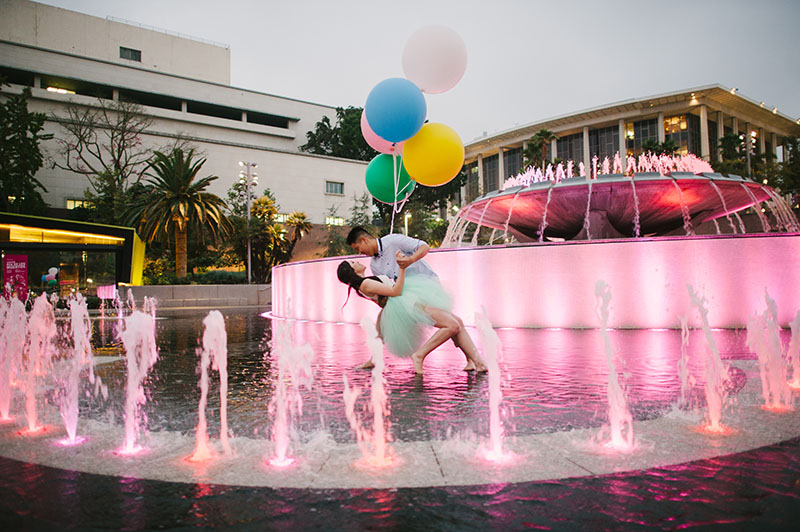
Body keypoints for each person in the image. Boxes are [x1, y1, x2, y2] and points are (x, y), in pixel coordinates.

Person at [338, 250, 487, 375]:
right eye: (352, 263)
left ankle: (476, 362)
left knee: (457, 322)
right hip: (407, 304)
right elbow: (395, 291)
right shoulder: (366, 284)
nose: (356, 262)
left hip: (406, 301)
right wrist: (402, 268)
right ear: (352, 272)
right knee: (451, 326)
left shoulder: (365, 283)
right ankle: (420, 355)